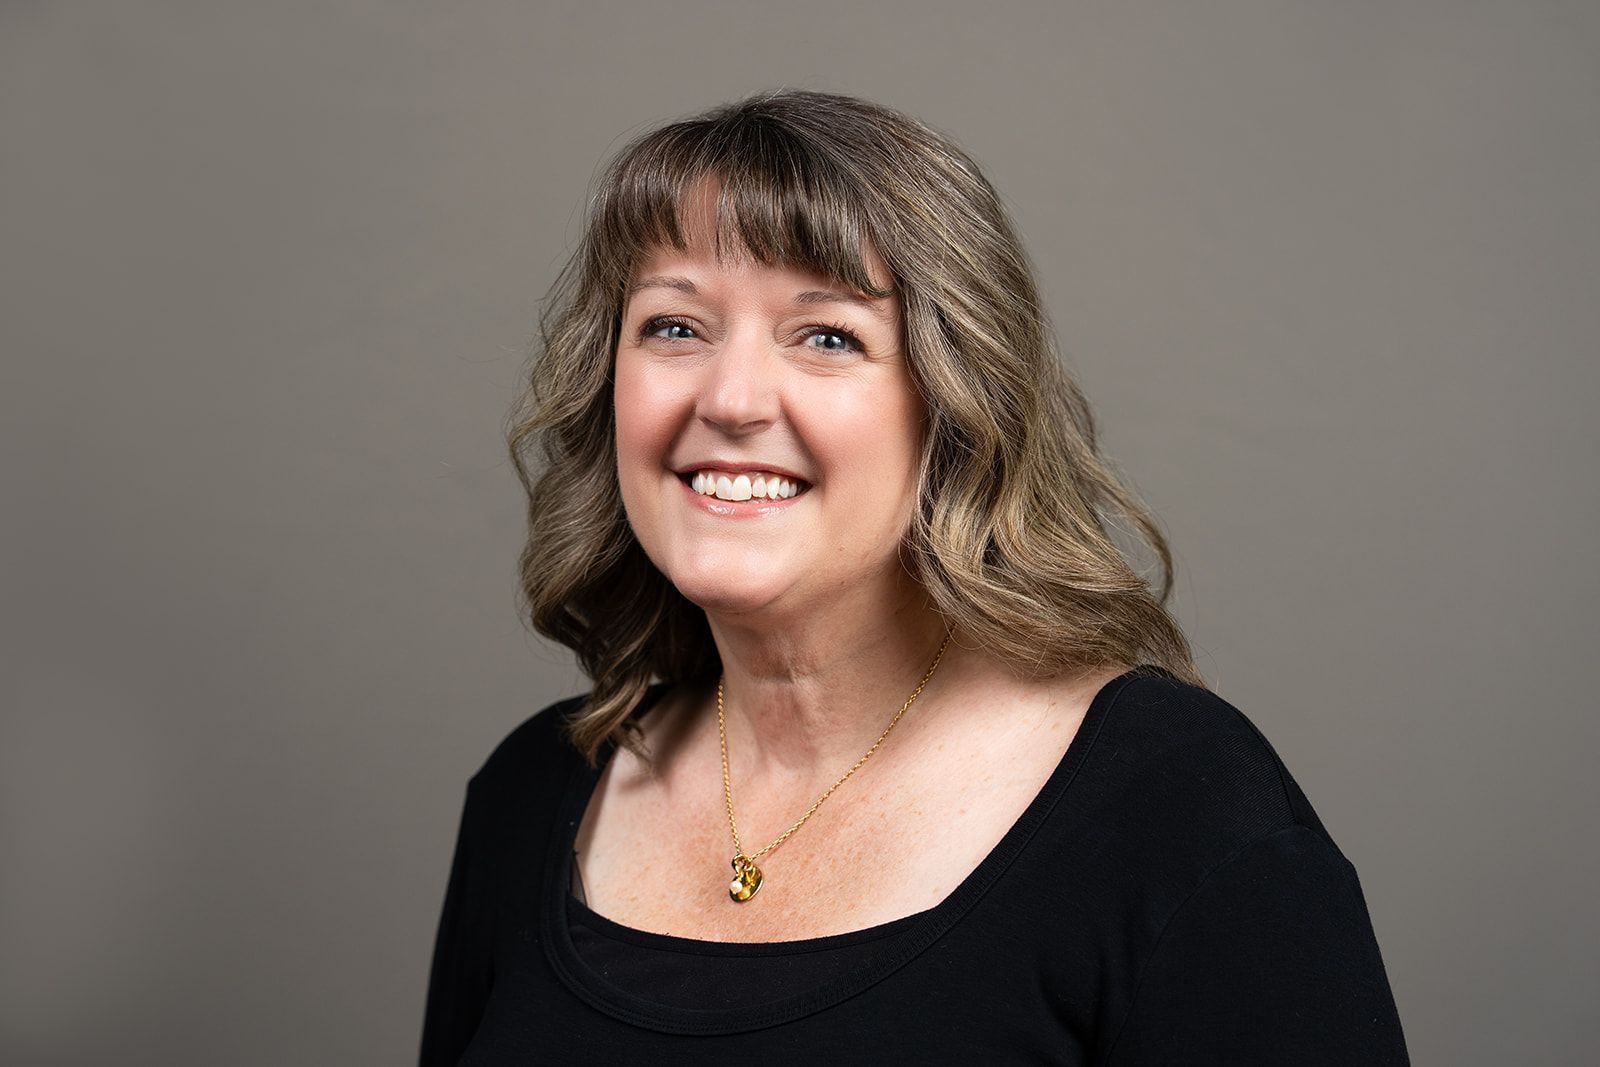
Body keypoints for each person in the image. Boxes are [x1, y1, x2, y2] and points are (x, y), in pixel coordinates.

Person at [419, 89, 1409, 1064]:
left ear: (954, 404)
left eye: (826, 335)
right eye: (675, 326)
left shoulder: (1177, 811)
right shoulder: (531, 795)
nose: (728, 397)